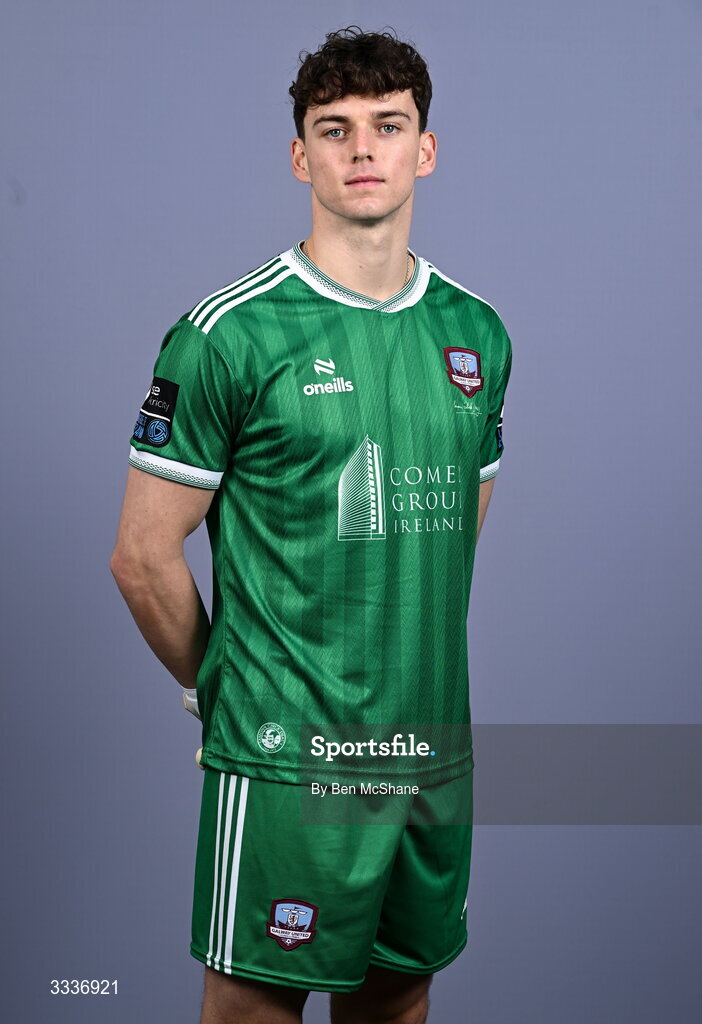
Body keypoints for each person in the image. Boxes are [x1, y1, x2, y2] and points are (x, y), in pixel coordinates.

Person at [110, 25, 512, 1024]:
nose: (362, 149)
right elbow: (141, 556)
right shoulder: (227, 333)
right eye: (335, 130)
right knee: (251, 1005)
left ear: (426, 148)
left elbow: (458, 528)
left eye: (388, 125)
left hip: (425, 751)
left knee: (398, 996)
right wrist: (225, 692)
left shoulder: (476, 333)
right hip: (291, 761)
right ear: (302, 156)